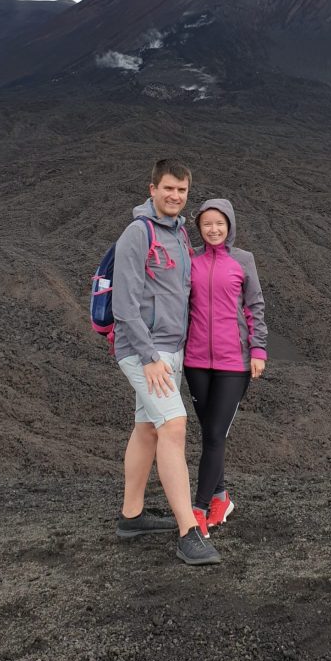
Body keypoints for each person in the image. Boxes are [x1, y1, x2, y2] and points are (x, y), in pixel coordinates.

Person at [111, 160, 221, 566]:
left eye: (182, 191)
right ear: (152, 188)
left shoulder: (178, 238)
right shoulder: (137, 235)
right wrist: (150, 357)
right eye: (168, 189)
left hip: (171, 351)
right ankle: (188, 532)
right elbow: (124, 306)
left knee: (148, 429)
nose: (175, 196)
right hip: (144, 352)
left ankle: (131, 516)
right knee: (174, 427)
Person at [183, 198, 268, 535]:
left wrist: (258, 349)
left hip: (235, 362)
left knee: (216, 433)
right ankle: (221, 497)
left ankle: (199, 508)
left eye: (220, 223)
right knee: (209, 434)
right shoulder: (191, 260)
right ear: (200, 228)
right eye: (207, 224)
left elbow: (255, 306)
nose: (214, 229)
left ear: (229, 225)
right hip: (196, 361)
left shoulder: (242, 260)